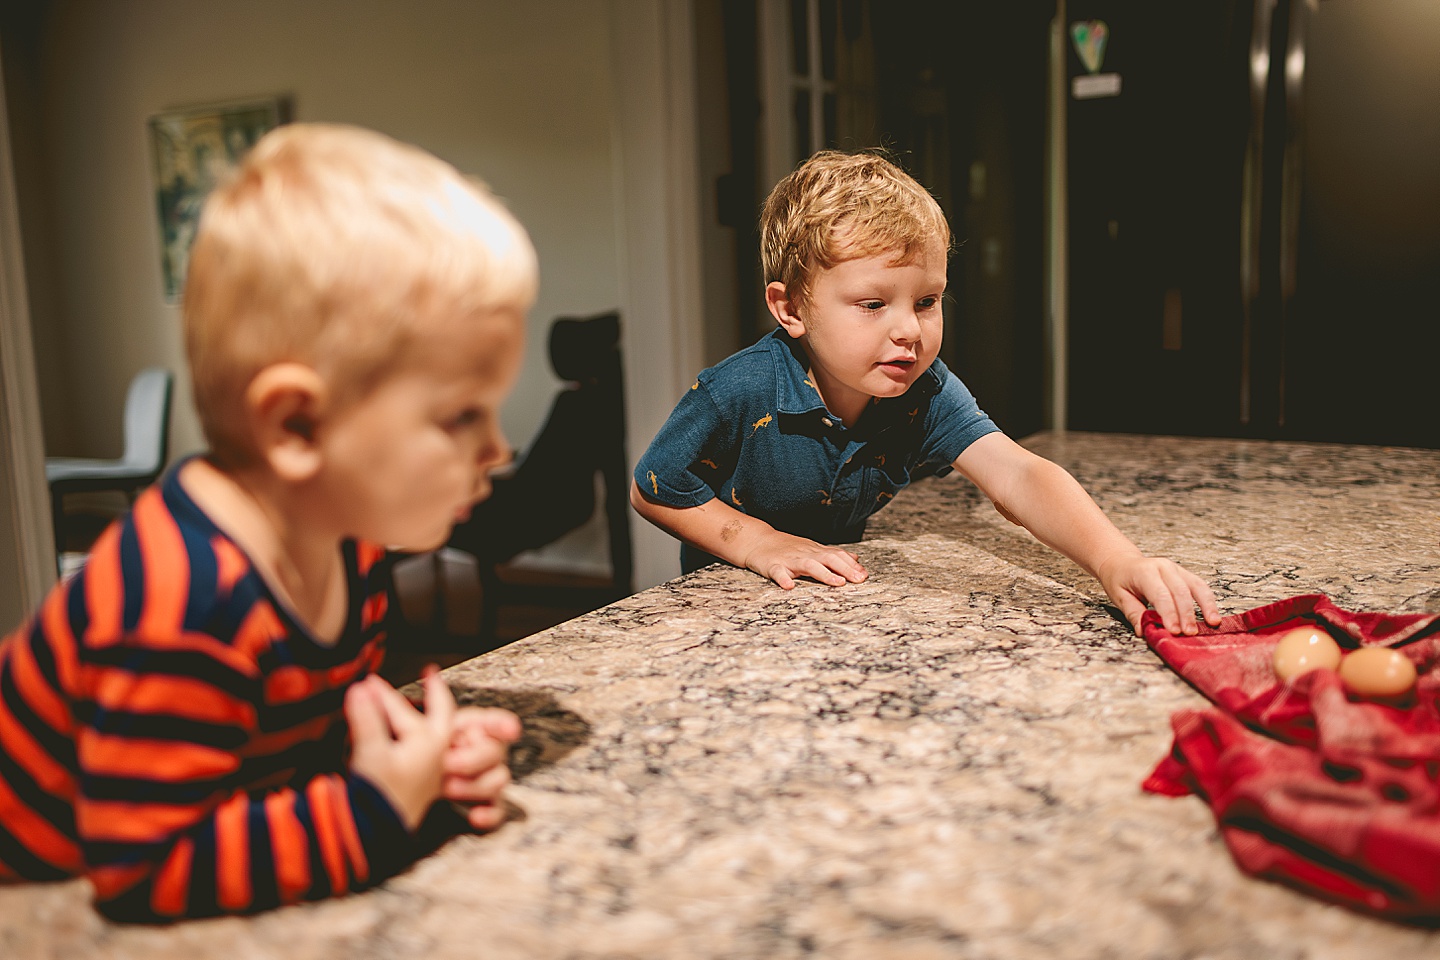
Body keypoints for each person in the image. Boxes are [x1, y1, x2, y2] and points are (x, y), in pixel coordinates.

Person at [0, 123, 535, 921]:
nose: (498, 448)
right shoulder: (182, 600)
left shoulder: (349, 551)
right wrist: (376, 811)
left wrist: (419, 766)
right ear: (296, 427)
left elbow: (283, 749)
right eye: (462, 416)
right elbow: (142, 870)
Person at [631, 149, 1221, 637]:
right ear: (790, 308)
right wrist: (758, 542)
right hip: (724, 616)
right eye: (872, 304)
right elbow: (653, 486)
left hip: (836, 612)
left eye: (926, 301)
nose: (909, 330)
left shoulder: (923, 389)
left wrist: (1117, 559)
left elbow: (1016, 475)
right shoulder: (739, 389)